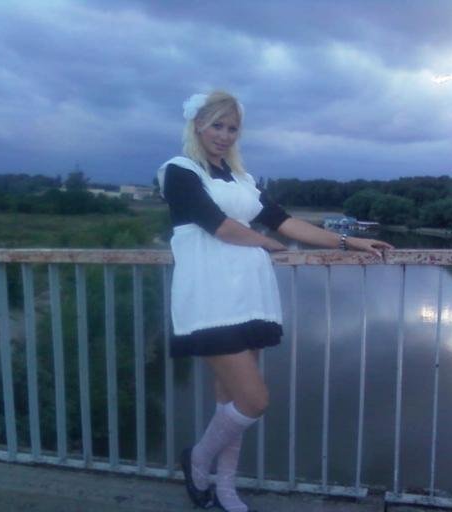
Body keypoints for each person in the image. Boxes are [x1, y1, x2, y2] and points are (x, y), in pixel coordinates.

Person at [157, 91, 393, 512]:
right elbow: (218, 226)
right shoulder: (179, 171)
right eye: (216, 125)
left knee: (230, 399)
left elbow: (287, 222)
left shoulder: (242, 179)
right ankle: (197, 459)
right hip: (210, 297)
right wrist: (266, 242)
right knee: (254, 400)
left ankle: (225, 487)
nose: (224, 135)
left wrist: (349, 241)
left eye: (232, 128)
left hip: (250, 295)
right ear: (197, 126)